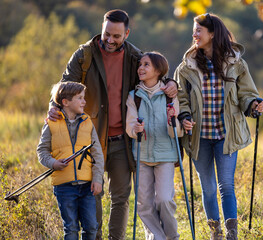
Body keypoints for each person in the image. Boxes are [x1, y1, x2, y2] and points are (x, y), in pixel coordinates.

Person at [47, 9, 177, 239]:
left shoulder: (135, 57)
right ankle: (94, 236)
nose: (110, 40)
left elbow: (156, 74)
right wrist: (53, 105)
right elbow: (65, 84)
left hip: (121, 140)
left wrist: (171, 83)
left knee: (120, 197)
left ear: (126, 34)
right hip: (90, 138)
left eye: (116, 36)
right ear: (102, 28)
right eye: (107, 33)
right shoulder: (84, 55)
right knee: (92, 193)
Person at [174, 13, 263, 240]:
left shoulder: (235, 63)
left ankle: (231, 234)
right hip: (199, 136)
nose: (194, 34)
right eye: (194, 30)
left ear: (212, 33)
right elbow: (180, 97)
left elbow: (247, 94)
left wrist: (253, 104)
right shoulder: (186, 67)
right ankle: (216, 235)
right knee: (208, 188)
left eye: (198, 30)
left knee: (226, 185)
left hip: (226, 134)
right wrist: (183, 115)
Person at [126, 52, 183, 240]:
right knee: (144, 205)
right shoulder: (134, 96)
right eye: (140, 64)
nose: (140, 68)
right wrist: (136, 129)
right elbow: (130, 127)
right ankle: (157, 238)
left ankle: (171, 236)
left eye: (146, 65)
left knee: (165, 200)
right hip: (142, 154)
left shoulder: (170, 95)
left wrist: (172, 122)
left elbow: (178, 132)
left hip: (165, 155)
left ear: (158, 71)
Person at [37, 82, 104, 240]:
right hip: (64, 187)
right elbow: (42, 151)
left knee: (91, 227)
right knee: (71, 228)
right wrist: (53, 163)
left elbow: (97, 154)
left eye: (84, 98)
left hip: (87, 186)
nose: (84, 101)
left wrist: (97, 179)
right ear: (65, 102)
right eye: (80, 98)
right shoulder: (51, 124)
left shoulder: (88, 123)